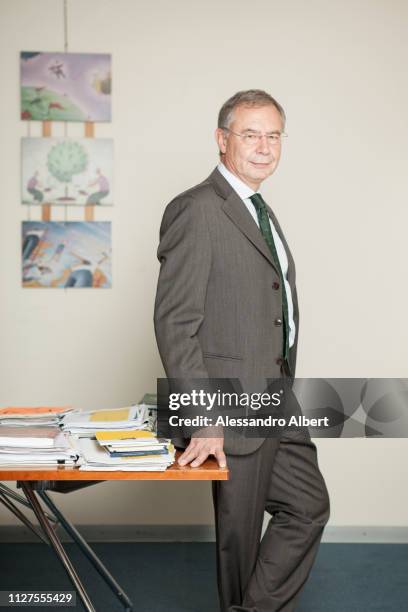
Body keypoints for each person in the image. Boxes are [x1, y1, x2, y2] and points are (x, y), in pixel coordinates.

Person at [154, 89, 330, 611]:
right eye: (250, 134)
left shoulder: (258, 209)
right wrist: (204, 418)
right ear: (221, 139)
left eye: (272, 135)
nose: (263, 146)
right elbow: (176, 322)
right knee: (240, 536)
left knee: (307, 506)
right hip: (228, 406)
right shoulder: (197, 209)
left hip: (275, 397)